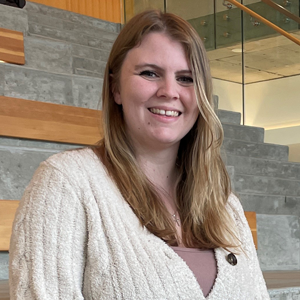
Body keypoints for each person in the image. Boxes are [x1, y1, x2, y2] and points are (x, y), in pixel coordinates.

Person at [9, 10, 270, 300]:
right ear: (115, 88)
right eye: (150, 73)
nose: (170, 91)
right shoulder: (66, 184)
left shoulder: (225, 205)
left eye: (186, 78)